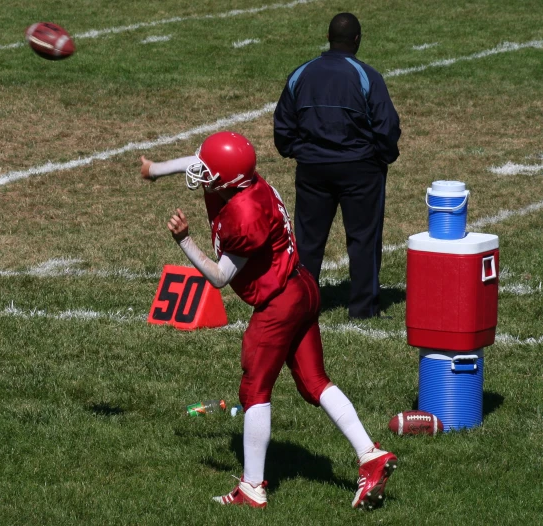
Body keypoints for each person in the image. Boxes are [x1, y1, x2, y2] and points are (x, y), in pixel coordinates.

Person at [140, 131, 397, 510]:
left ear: (226, 179)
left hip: (279, 303)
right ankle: (370, 454)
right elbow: (196, 164)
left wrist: (184, 240)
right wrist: (154, 170)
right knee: (314, 383)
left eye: (208, 171)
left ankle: (252, 488)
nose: (199, 174)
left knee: (254, 391)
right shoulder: (240, 181)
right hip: (302, 286)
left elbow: (219, 277)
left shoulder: (244, 216)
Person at [273, 12, 401, 319]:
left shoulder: (301, 74)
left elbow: (283, 126)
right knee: (363, 238)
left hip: (313, 168)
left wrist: (298, 151)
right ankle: (363, 308)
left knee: (307, 239)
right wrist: (381, 157)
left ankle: (301, 303)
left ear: (329, 38)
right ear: (357, 40)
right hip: (359, 168)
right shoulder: (366, 75)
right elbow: (386, 126)